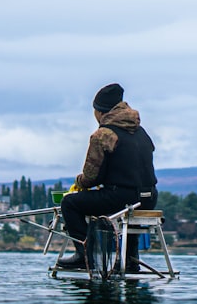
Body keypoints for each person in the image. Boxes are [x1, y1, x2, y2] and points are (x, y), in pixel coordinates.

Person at [58, 83, 158, 272]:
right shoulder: (141, 131)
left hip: (122, 198)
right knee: (128, 211)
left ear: (100, 112)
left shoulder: (104, 134)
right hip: (149, 198)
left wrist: (79, 183)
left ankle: (83, 255)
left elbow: (91, 178)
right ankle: (130, 260)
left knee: (70, 203)